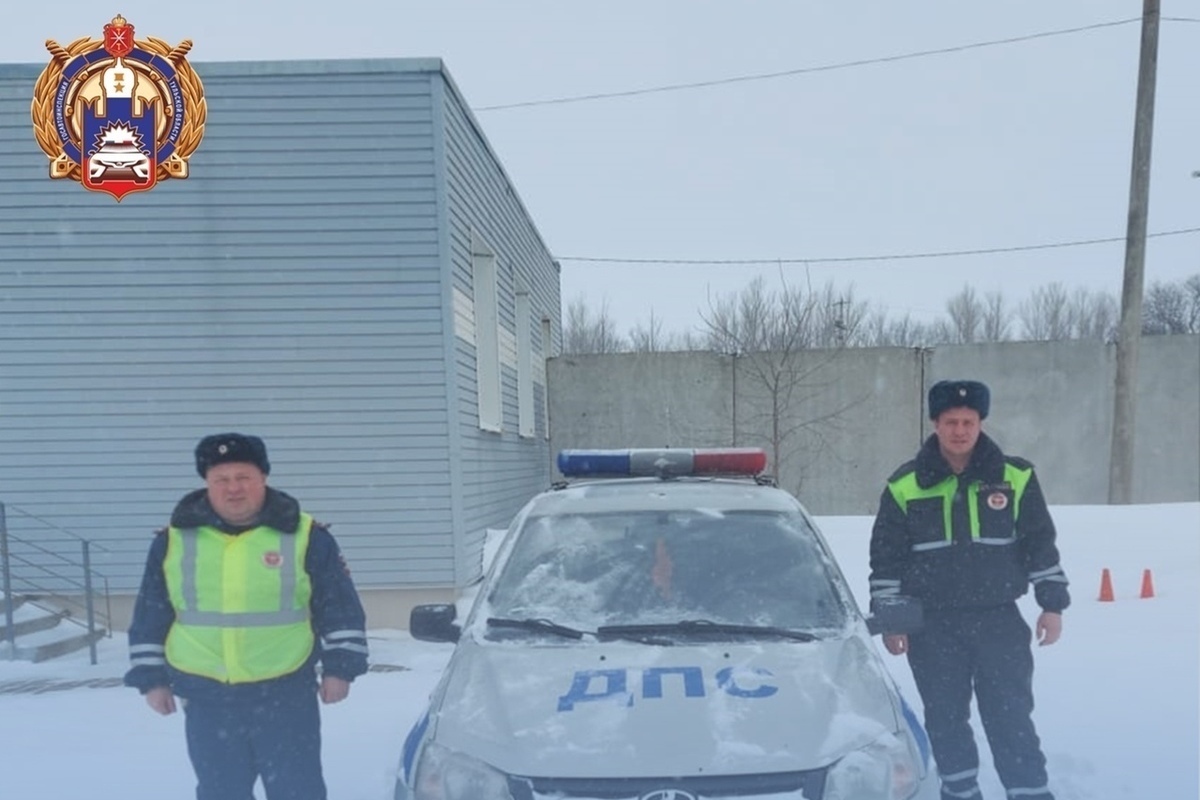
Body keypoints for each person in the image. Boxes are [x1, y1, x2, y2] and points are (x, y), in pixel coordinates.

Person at [124, 433, 369, 800]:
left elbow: (338, 606)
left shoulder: (306, 536)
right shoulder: (174, 540)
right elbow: (151, 612)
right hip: (208, 698)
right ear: (207, 483)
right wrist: (150, 678)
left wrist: (341, 667)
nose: (233, 488)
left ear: (263, 478)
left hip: (285, 695)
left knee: (297, 791)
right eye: (221, 479)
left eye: (244, 477)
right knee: (221, 792)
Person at [868, 380, 1069, 800]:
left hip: (999, 622)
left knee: (1010, 716)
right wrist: (892, 620)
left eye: (968, 422)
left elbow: (1039, 543)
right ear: (935, 424)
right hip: (934, 628)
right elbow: (887, 559)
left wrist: (1052, 605)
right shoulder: (905, 485)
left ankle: (1030, 792)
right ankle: (960, 793)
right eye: (950, 422)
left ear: (980, 423)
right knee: (945, 719)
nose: (960, 430)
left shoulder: (1015, 477)